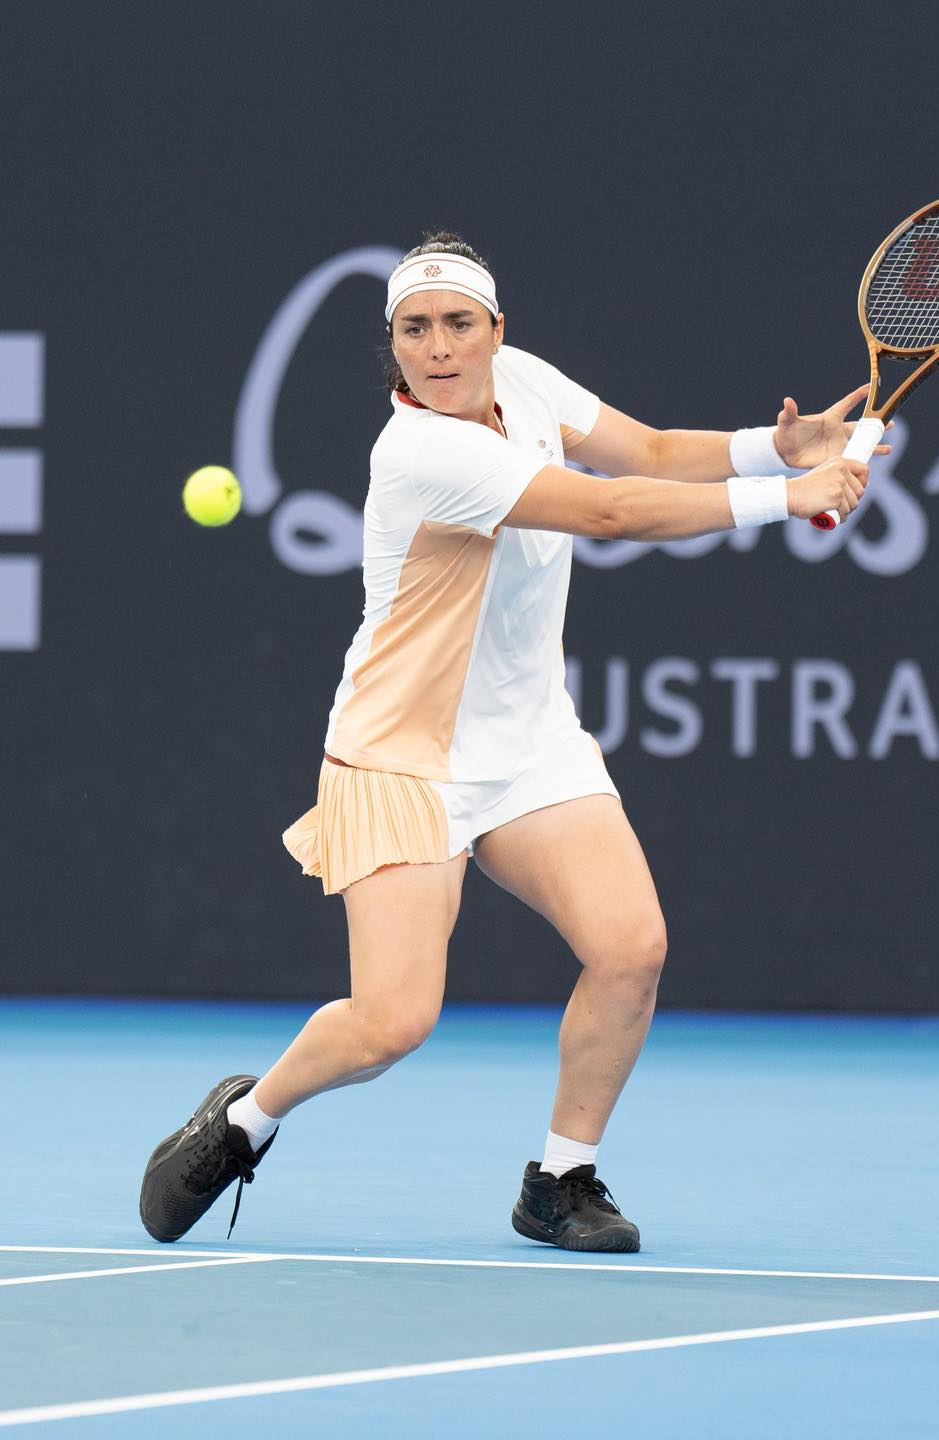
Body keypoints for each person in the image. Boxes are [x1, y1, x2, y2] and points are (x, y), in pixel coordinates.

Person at [139, 233, 878, 1252]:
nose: (438, 348)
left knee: (631, 949)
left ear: (496, 331)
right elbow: (610, 511)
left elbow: (649, 454)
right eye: (414, 330)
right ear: (393, 345)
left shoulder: (523, 383)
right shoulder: (420, 452)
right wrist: (784, 500)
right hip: (401, 756)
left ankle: (560, 1181)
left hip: (529, 744)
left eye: (458, 324)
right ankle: (245, 1119)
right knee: (392, 1023)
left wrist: (773, 450)